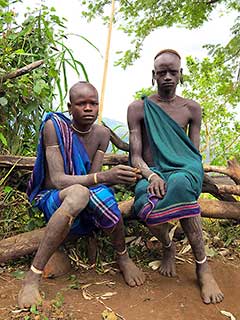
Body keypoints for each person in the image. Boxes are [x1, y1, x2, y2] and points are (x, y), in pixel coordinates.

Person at [18, 81, 145, 308]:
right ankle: (32, 277)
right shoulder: (54, 127)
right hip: (54, 198)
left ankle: (123, 257)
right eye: (81, 103)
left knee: (102, 197)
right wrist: (106, 177)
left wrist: (115, 178)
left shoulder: (102, 134)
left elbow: (94, 179)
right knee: (78, 193)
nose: (88, 108)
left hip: (84, 195)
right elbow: (57, 179)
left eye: (93, 103)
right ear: (69, 107)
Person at [127, 49, 224, 304]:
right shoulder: (139, 108)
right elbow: (135, 156)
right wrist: (150, 177)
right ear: (153, 75)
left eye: (173, 72)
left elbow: (192, 153)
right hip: (152, 172)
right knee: (144, 203)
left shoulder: (192, 108)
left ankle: (203, 267)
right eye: (162, 72)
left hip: (184, 170)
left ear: (181, 74)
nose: (167, 77)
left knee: (180, 184)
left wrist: (187, 173)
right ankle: (168, 245)